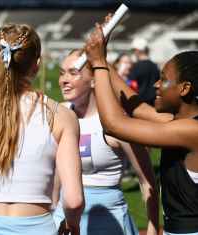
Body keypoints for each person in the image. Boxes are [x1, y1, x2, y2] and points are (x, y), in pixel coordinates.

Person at [0, 23, 84, 235]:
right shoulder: (62, 116)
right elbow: (73, 201)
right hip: (37, 227)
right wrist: (72, 224)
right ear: (36, 64)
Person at [85, 23, 198, 235]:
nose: (156, 85)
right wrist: (103, 57)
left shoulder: (191, 131)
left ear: (184, 88)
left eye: (164, 80)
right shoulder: (181, 121)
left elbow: (114, 125)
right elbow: (137, 108)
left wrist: (98, 64)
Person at [53, 49, 159, 235]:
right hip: (64, 219)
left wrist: (152, 227)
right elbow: (54, 175)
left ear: (94, 79)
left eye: (73, 73)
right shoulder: (58, 113)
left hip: (108, 223)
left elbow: (146, 181)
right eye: (62, 73)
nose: (64, 80)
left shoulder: (116, 122)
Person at [129, 37, 160, 105]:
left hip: (139, 104)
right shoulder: (155, 66)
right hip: (153, 103)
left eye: (134, 50)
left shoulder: (136, 66)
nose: (134, 52)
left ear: (138, 50)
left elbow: (131, 84)